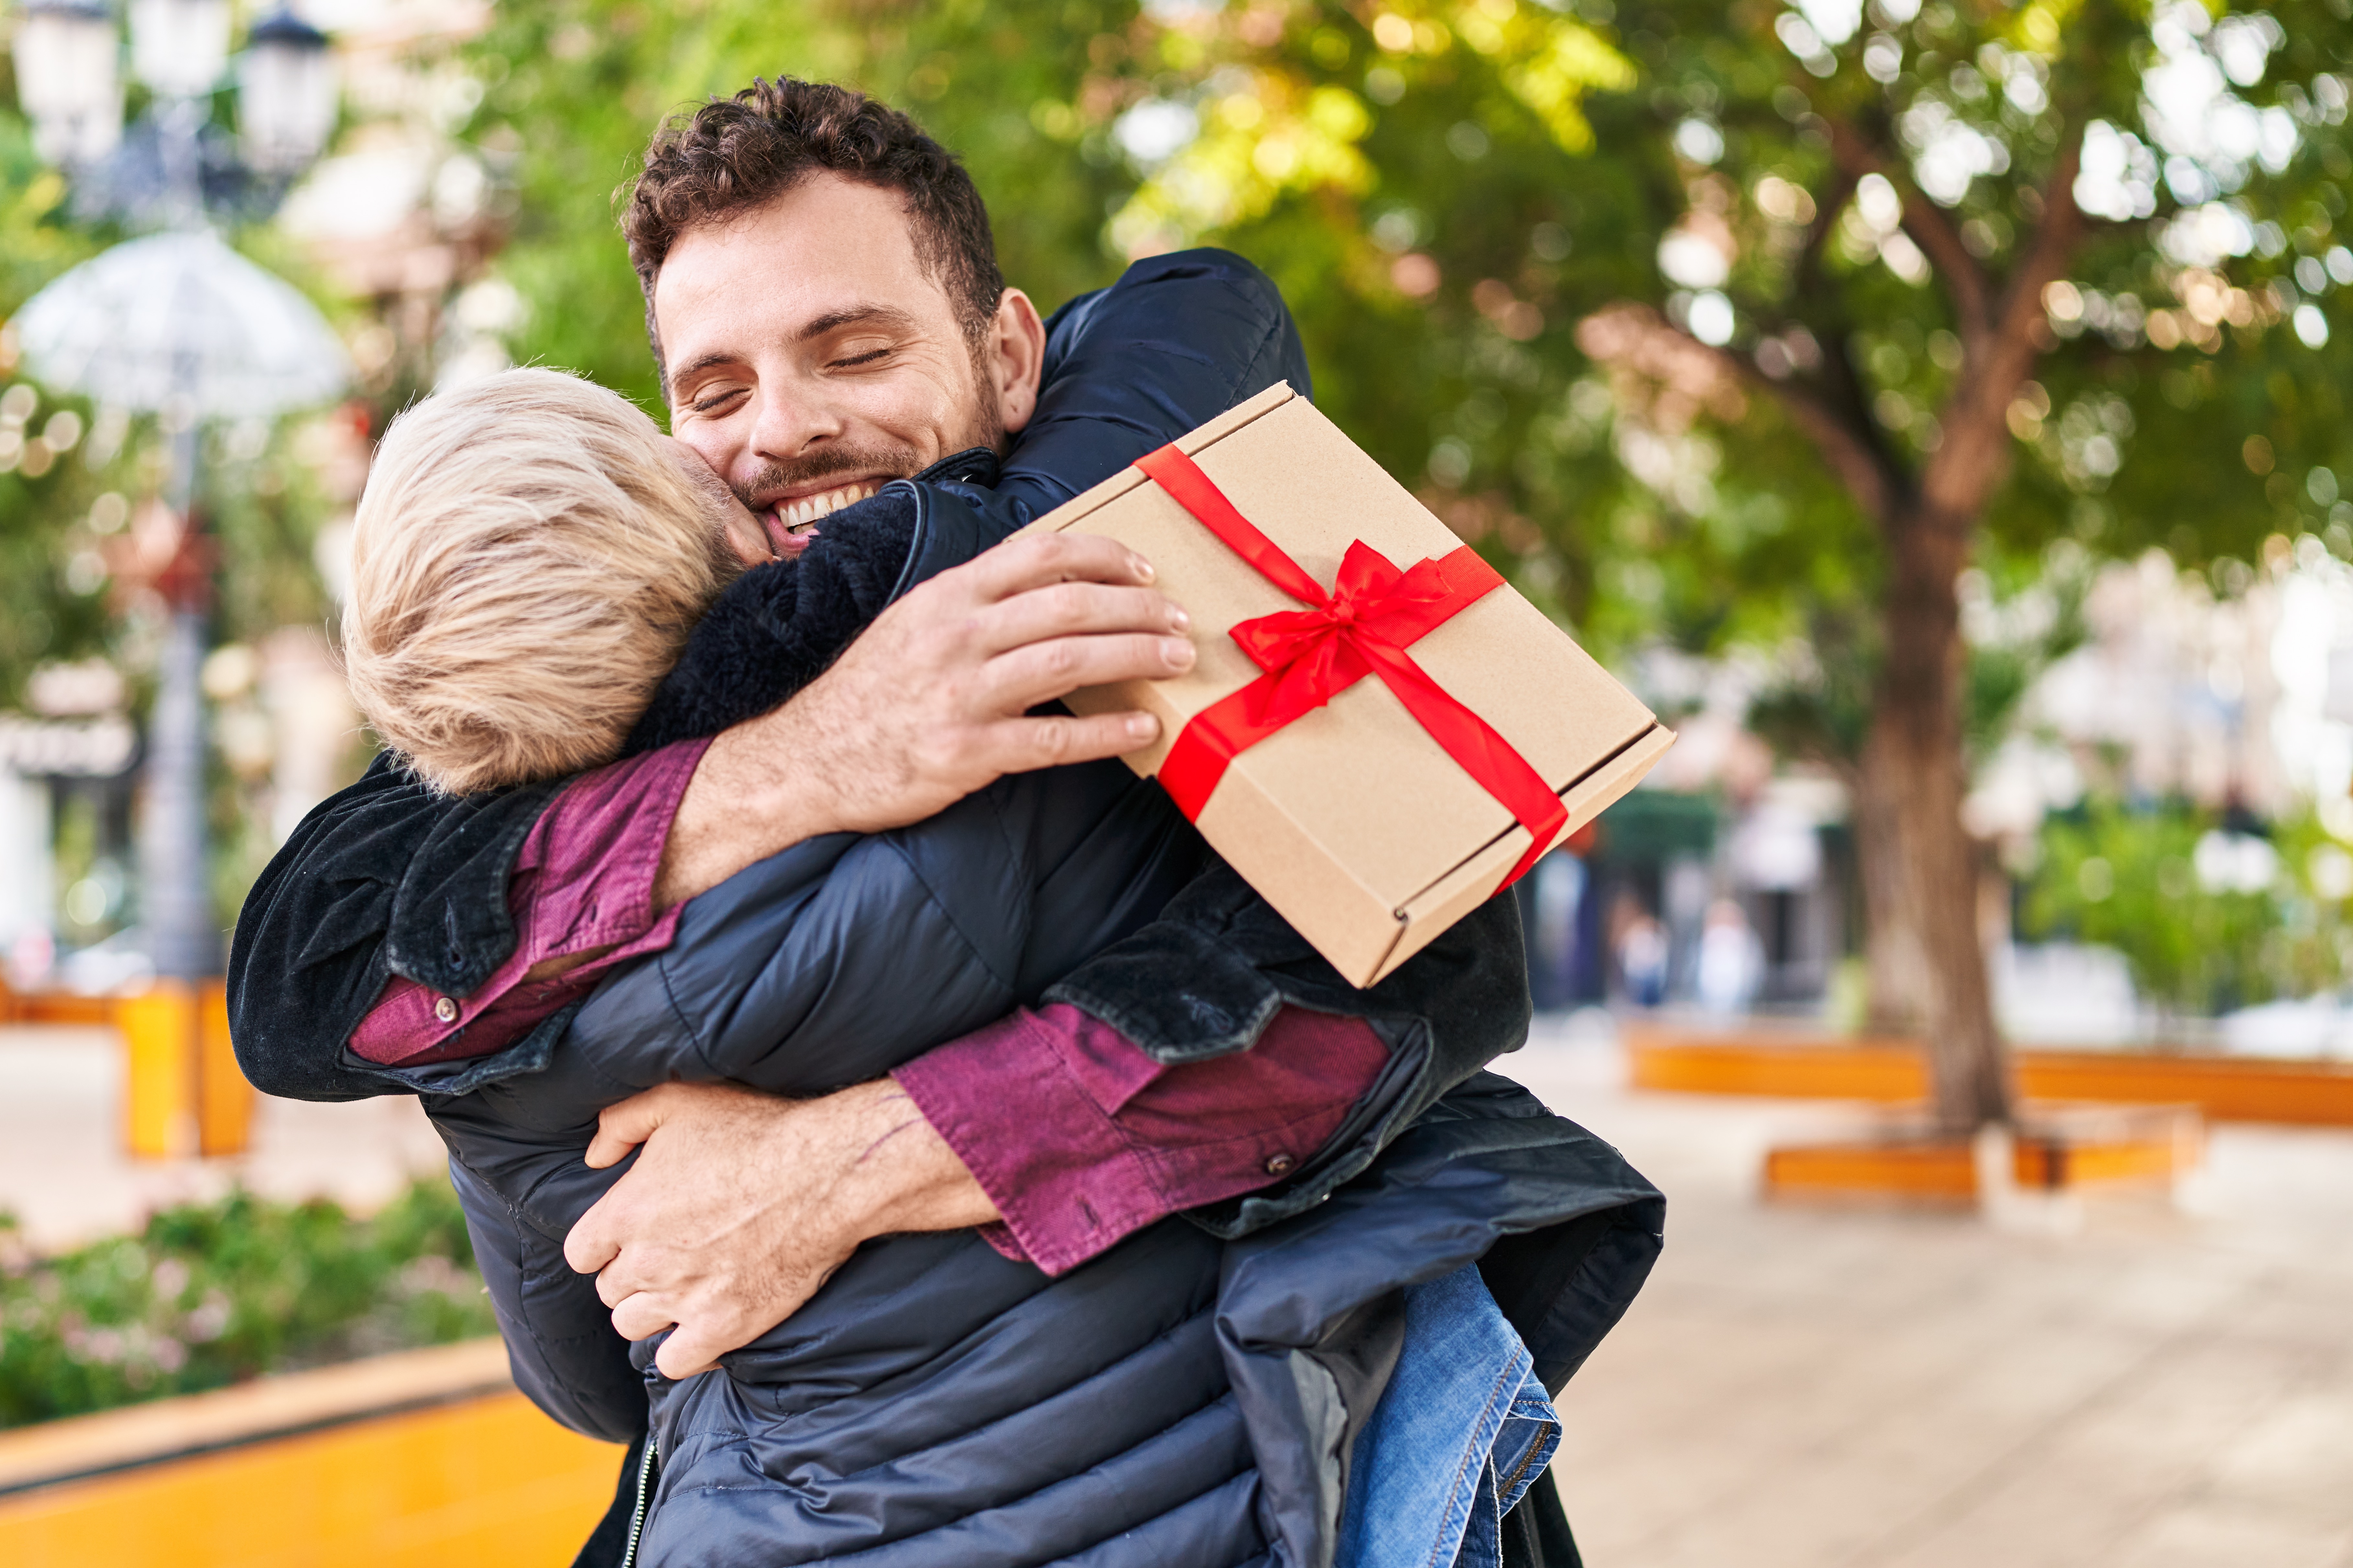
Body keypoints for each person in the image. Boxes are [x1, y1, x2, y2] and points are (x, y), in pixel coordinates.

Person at [230, 79, 1661, 1565]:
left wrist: (839, 1165)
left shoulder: (1146, 601)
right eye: (715, 393)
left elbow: (1421, 970)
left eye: (854, 350)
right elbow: (303, 971)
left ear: (1009, 355)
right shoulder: (592, 703)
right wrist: (804, 758)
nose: (782, 429)